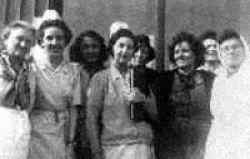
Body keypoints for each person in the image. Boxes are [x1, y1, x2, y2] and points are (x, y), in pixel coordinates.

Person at [86, 29, 156, 159]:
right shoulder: (100, 78)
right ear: (112, 48)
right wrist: (96, 152)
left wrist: (143, 100)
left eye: (129, 47)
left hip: (142, 146)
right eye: (121, 46)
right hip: (114, 148)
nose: (124, 51)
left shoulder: (140, 76)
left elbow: (155, 114)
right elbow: (91, 118)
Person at [28, 19, 84, 159]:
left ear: (66, 42)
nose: (55, 42)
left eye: (59, 38)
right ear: (41, 42)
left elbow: (73, 108)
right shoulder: (32, 68)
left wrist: (70, 141)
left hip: (62, 131)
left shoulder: (73, 71)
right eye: (49, 38)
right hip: (37, 131)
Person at [155, 32, 214, 159]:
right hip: (172, 148)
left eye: (185, 51)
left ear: (195, 54)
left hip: (202, 146)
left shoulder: (209, 79)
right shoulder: (164, 80)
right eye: (176, 52)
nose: (180, 55)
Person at [204, 30, 250, 159]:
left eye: (235, 47)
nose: (231, 51)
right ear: (220, 53)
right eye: (226, 49)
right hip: (220, 143)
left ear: (244, 49)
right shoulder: (219, 80)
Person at [69, 30, 107, 159]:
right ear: (79, 50)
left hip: (104, 133)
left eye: (94, 46)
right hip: (79, 136)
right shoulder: (74, 73)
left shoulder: (108, 74)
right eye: (86, 47)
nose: (91, 51)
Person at [0, 20, 35, 159]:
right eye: (19, 39)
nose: (24, 44)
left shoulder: (29, 69)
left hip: (20, 124)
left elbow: (28, 102)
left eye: (28, 41)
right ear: (5, 39)